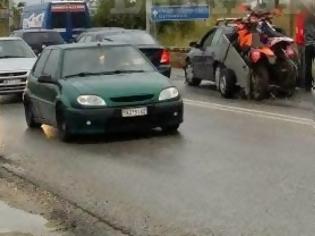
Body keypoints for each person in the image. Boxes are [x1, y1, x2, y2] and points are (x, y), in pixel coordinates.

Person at [303, 0, 315, 91]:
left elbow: (304, 32)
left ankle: (307, 86)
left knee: (308, 66)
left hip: (308, 45)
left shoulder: (306, 19)